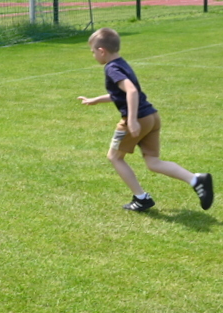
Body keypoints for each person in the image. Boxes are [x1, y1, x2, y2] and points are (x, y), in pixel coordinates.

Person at [78, 27, 214, 212]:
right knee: (153, 162)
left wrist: (132, 120)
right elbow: (122, 94)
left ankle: (141, 198)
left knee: (115, 157)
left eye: (93, 51)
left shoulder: (111, 68)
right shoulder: (121, 63)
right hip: (151, 116)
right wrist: (96, 100)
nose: (93, 55)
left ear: (102, 51)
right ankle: (196, 179)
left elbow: (132, 91)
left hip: (137, 119)